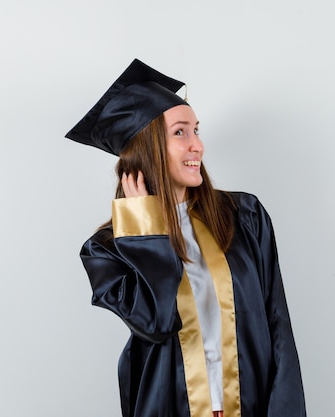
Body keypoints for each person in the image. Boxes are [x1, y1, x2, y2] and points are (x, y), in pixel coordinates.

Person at [65, 58, 306, 417]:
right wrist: (144, 230)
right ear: (145, 148)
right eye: (180, 132)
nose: (198, 145)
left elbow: (278, 324)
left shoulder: (244, 217)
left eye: (197, 130)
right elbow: (157, 323)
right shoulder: (107, 249)